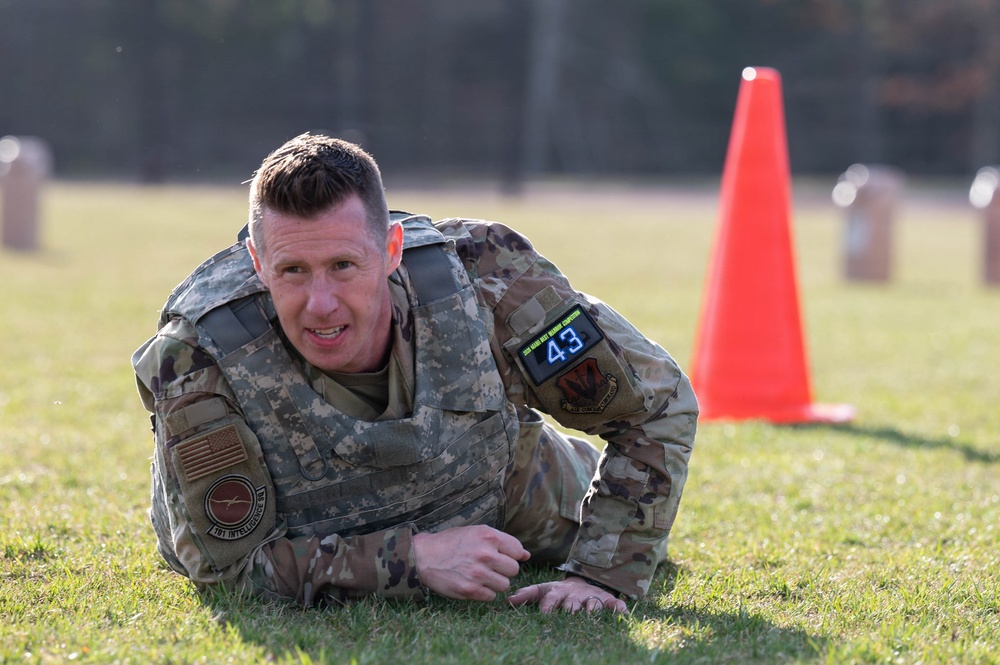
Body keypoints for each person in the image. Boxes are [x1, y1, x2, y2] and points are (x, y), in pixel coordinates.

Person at [132, 133, 697, 614]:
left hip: (500, 487)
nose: (321, 303)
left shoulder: (486, 280)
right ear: (258, 263)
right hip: (304, 525)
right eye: (293, 271)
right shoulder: (199, 354)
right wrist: (416, 559)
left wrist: (600, 579)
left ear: (392, 249)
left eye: (344, 266)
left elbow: (656, 407)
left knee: (636, 541)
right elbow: (229, 569)